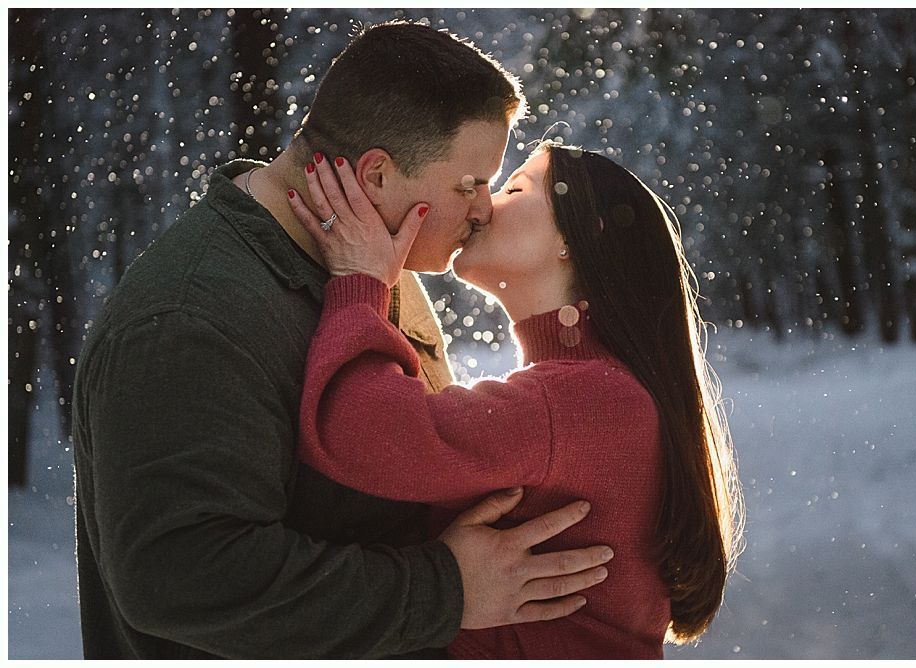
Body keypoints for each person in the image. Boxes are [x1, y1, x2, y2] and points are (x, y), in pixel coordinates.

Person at [71, 21, 615, 660]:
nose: (484, 209)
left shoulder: (376, 265)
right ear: (378, 176)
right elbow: (180, 576)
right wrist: (445, 589)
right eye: (468, 184)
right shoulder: (189, 320)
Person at [287, 140, 745, 659]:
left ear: (576, 235)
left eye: (513, 188)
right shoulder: (599, 392)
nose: (482, 205)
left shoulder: (585, 399)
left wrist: (361, 282)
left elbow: (363, 434)